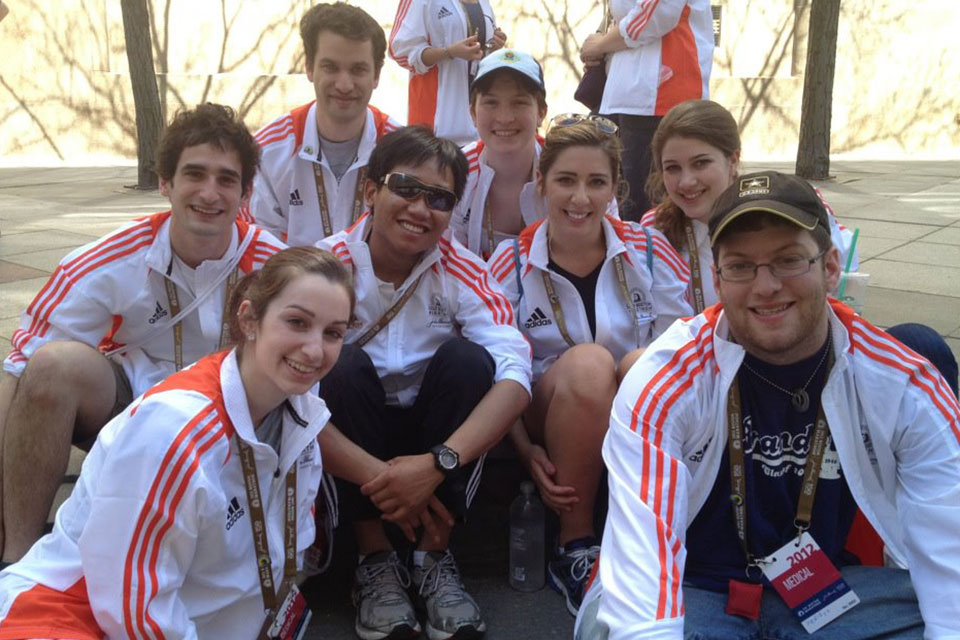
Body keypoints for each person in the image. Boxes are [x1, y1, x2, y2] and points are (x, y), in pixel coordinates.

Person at [576, 171, 960, 639]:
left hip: (830, 596)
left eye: (789, 260)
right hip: (691, 591)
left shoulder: (902, 382)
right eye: (740, 266)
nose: (765, 286)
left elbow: (949, 551)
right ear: (717, 279)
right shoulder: (664, 381)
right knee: (611, 629)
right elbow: (643, 574)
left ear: (832, 267)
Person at [0, 246, 354, 639]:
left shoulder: (304, 416)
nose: (315, 349)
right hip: (70, 619)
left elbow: (276, 559)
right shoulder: (175, 430)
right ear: (250, 319)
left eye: (333, 333)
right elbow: (135, 611)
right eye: (297, 322)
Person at [0, 103, 284, 566]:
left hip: (234, 418)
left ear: (245, 192)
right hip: (133, 408)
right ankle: (18, 563)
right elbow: (18, 369)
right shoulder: (107, 259)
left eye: (226, 179)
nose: (209, 193)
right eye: (194, 174)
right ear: (165, 182)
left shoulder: (276, 264)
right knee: (52, 366)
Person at [316, 125, 531, 640]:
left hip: (434, 440)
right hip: (353, 437)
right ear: (371, 190)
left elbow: (517, 375)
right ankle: (375, 560)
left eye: (439, 198)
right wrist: (385, 478)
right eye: (406, 187)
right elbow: (283, 385)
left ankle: (434, 555)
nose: (420, 208)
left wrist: (437, 465)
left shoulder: (463, 270)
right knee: (335, 364)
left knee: (469, 362)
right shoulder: (325, 266)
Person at [487, 116, 692, 616]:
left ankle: (658, 537)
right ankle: (575, 547)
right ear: (541, 184)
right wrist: (525, 446)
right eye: (565, 180)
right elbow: (495, 368)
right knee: (587, 364)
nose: (580, 198)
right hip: (546, 406)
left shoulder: (648, 249)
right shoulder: (507, 260)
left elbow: (680, 346)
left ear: (614, 190)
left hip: (635, 400)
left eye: (596, 182)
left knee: (639, 360)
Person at [642, 99, 857, 313]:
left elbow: (840, 287)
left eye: (701, 163)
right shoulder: (654, 230)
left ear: (733, 160)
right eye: (672, 168)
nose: (686, 181)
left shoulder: (794, 209)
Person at [249, 2, 402, 246]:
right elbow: (261, 248)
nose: (344, 85)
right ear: (309, 68)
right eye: (330, 67)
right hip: (292, 282)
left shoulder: (402, 149)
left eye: (358, 70)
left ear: (376, 76)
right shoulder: (267, 150)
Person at [580, 0, 714, 220]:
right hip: (630, 95)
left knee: (646, 206)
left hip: (658, 97)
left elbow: (650, 17)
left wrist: (600, 45)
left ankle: (649, 254)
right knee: (620, 199)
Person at [451, 48, 548, 259]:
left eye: (519, 102)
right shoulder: (454, 172)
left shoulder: (569, 170)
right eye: (491, 103)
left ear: (541, 112)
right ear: (473, 113)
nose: (505, 118)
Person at [389, 0, 508, 146]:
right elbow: (399, 51)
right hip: (433, 134)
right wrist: (449, 52)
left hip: (479, 134)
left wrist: (494, 45)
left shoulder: (484, 3)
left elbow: (481, 58)